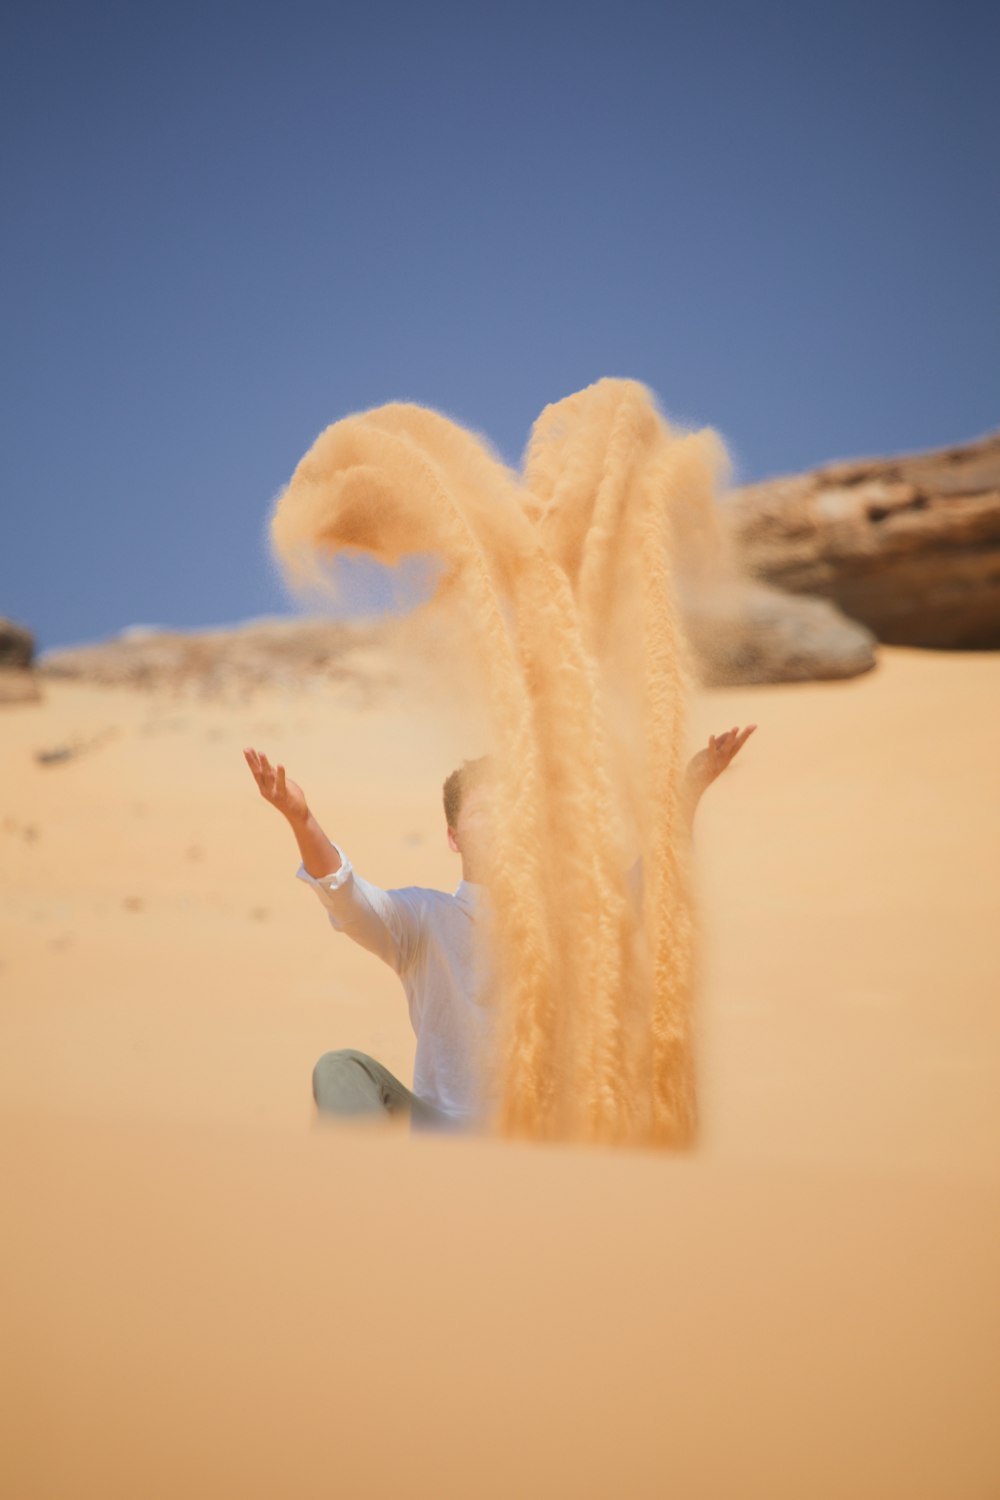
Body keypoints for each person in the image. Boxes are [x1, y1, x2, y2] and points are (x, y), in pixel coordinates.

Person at [243, 724, 756, 1134]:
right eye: (485, 812)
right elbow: (346, 896)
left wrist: (687, 795)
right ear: (453, 837)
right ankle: (354, 1196)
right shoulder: (424, 919)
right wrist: (302, 818)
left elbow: (651, 887)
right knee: (342, 1069)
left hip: (542, 1144)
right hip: (443, 1140)